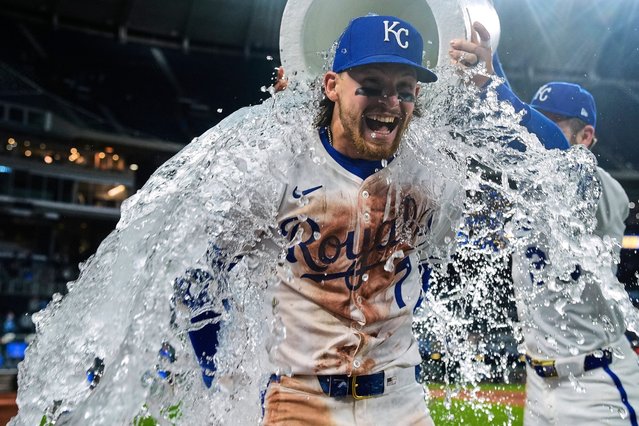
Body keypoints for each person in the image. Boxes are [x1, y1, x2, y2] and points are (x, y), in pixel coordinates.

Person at [481, 51, 639, 423]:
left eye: (552, 123)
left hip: (597, 385)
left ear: (586, 137)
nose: (532, 133)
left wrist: (492, 77)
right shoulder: (528, 189)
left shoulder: (602, 188)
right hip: (537, 386)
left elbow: (549, 146)